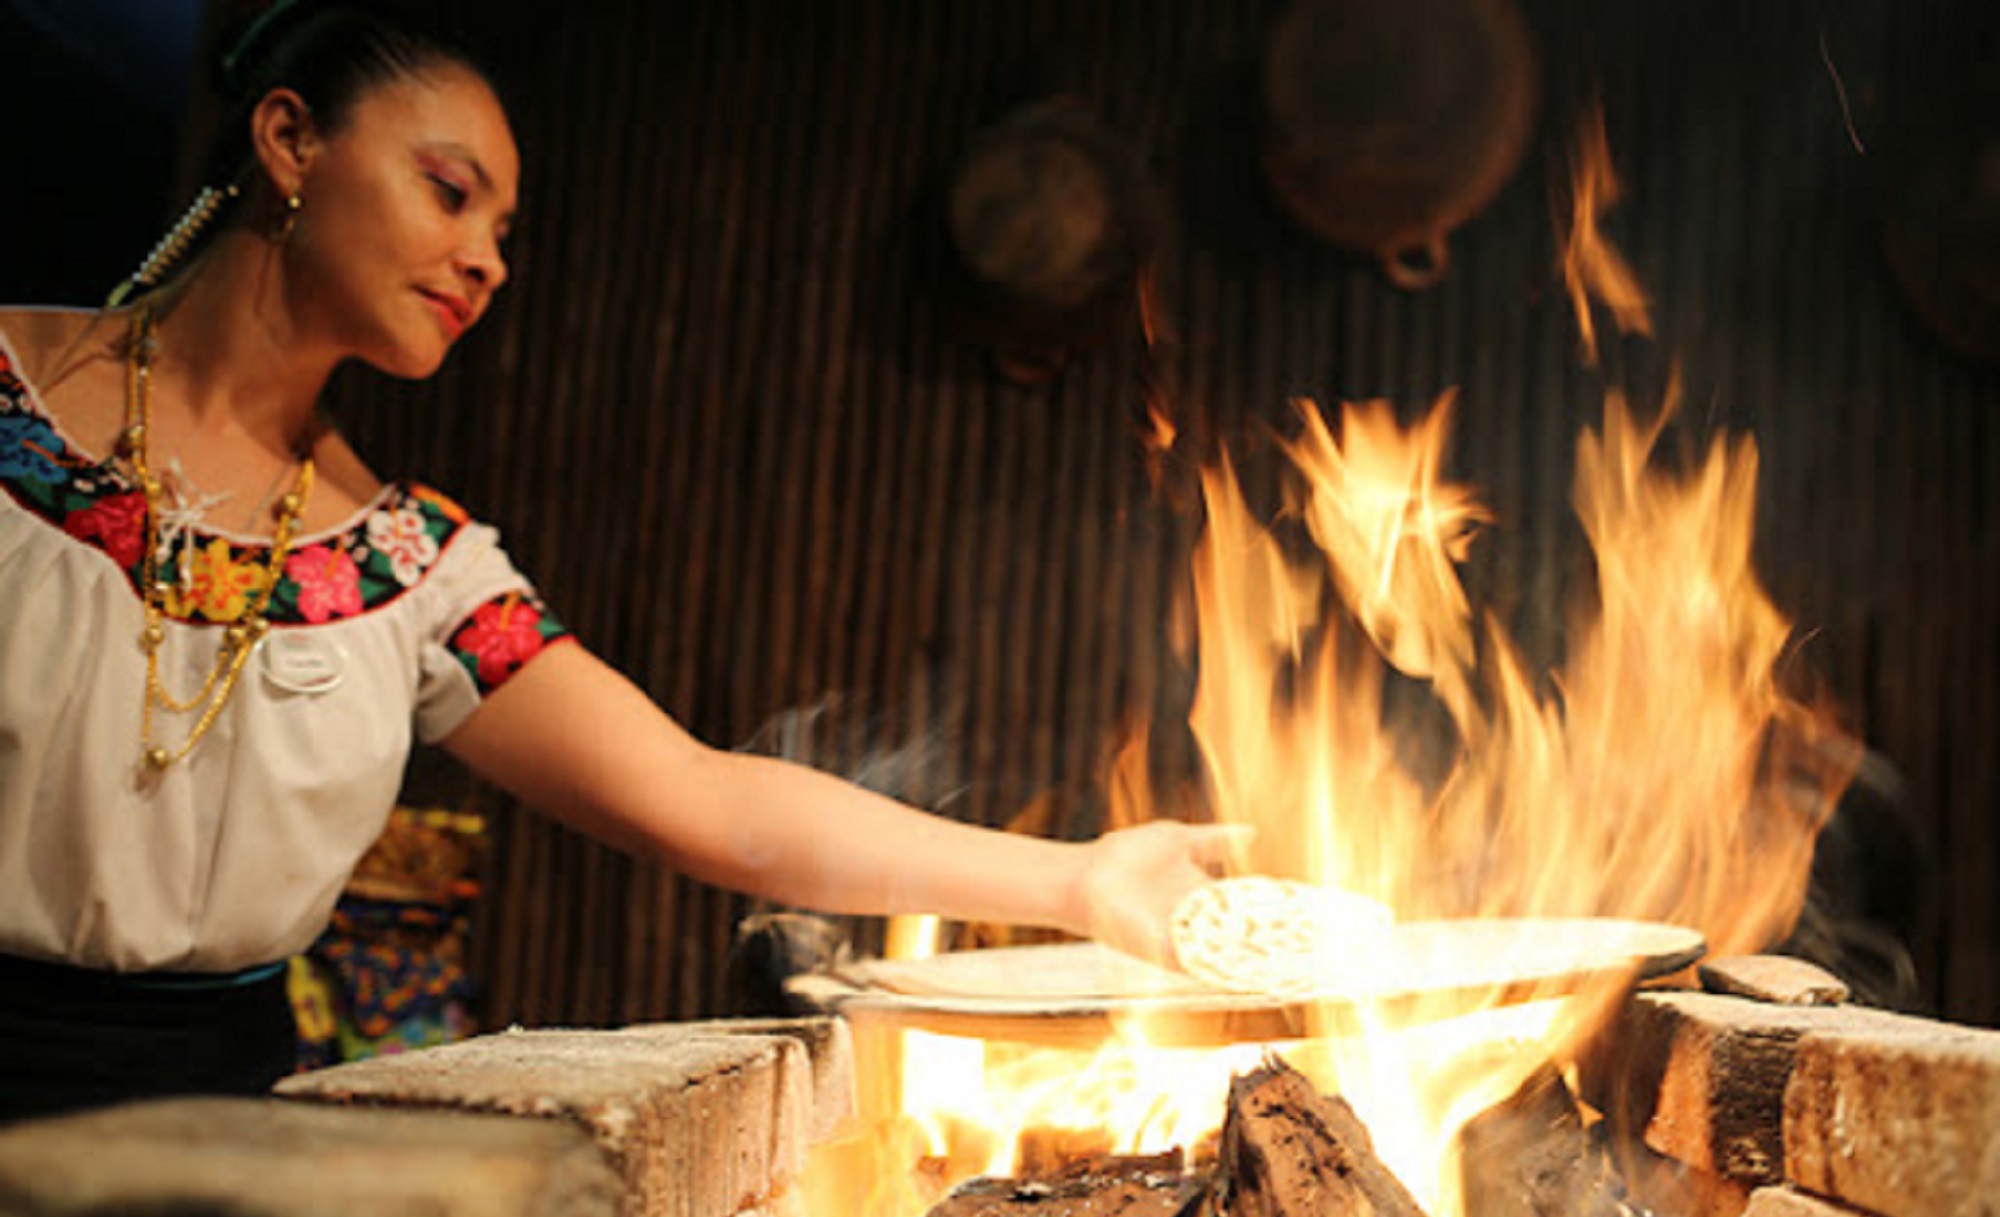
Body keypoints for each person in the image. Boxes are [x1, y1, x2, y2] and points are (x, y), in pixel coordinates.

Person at [0, 2, 1232, 1123]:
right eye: (448, 191)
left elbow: (704, 795)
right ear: (287, 140)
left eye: (503, 228)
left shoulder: (408, 566)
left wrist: (1082, 877)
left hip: (205, 1125)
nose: (487, 258)